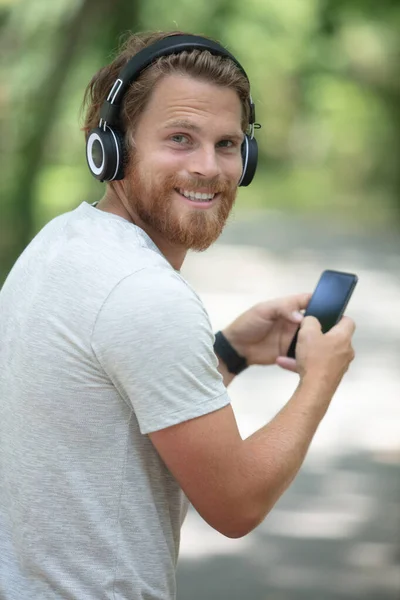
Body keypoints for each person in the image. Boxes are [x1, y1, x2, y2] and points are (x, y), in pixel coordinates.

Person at [0, 30, 355, 600]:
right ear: (111, 148)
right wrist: (320, 378)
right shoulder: (145, 294)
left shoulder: (61, 241)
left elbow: (123, 425)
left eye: (227, 144)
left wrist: (231, 352)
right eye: (180, 139)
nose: (209, 168)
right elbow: (235, 505)